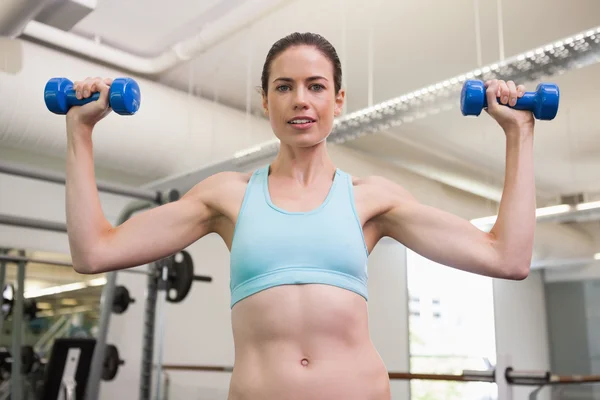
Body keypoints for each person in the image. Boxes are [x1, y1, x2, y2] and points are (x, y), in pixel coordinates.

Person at [64, 32, 535, 400]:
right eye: (284, 87)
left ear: (338, 99)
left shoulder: (373, 200)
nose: (300, 100)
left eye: (316, 86)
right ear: (265, 100)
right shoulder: (227, 196)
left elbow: (506, 258)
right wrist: (80, 133)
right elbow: (94, 250)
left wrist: (520, 135)